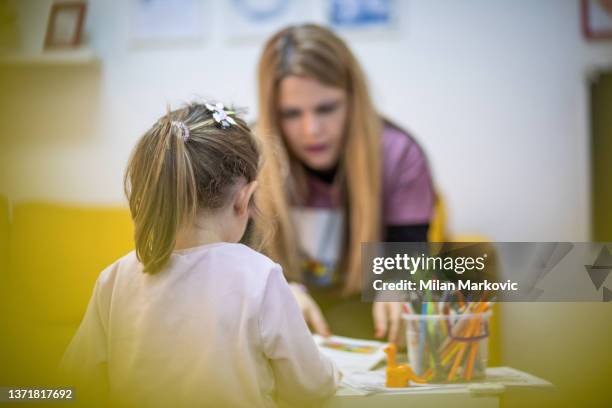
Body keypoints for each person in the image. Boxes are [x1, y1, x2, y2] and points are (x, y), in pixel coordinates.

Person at [60, 102, 341, 407]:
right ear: (244, 199)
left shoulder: (114, 279)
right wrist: (333, 372)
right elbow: (310, 388)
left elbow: (76, 384)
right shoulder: (261, 276)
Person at [253, 24, 435, 343]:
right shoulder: (251, 155)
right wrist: (280, 291)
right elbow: (236, 259)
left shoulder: (398, 154)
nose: (311, 130)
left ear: (354, 99)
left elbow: (407, 254)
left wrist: (397, 285)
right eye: (292, 114)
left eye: (327, 108)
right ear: (272, 113)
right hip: (280, 314)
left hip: (364, 315)